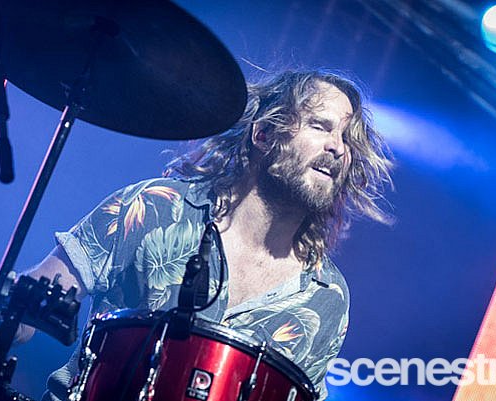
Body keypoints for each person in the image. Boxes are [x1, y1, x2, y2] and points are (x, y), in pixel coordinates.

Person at [25, 69, 394, 400]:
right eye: (320, 126)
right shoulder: (153, 208)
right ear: (264, 134)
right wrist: (7, 318)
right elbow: (30, 305)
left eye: (347, 139)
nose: (338, 147)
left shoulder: (327, 297)